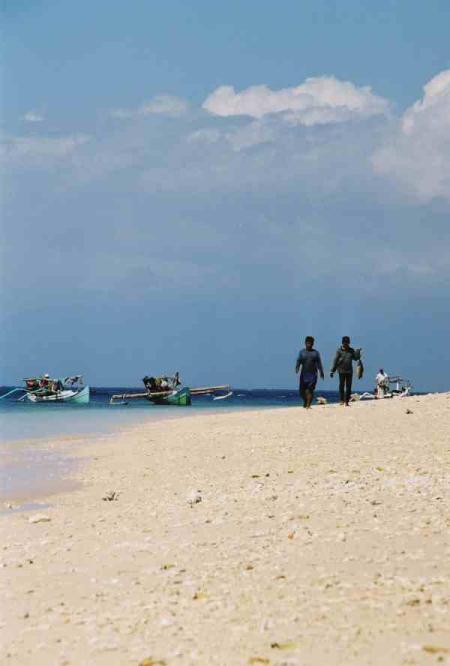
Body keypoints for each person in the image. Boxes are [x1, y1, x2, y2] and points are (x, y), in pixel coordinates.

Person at [330, 336, 361, 406]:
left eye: (347, 343)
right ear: (342, 343)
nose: (346, 344)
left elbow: (356, 358)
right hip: (341, 371)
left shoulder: (351, 350)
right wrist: (332, 371)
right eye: (345, 343)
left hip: (349, 371)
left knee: (349, 387)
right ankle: (341, 400)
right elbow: (335, 361)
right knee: (341, 386)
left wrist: (358, 352)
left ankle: (347, 401)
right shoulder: (339, 351)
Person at [295, 336, 324, 408]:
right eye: (308, 343)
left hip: (313, 374)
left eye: (311, 343)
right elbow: (298, 361)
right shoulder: (302, 352)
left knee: (310, 390)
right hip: (304, 374)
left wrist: (321, 372)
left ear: (313, 344)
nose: (309, 345)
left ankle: (308, 405)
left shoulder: (316, 353)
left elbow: (319, 363)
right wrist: (297, 367)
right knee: (301, 391)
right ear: (305, 343)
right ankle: (305, 401)